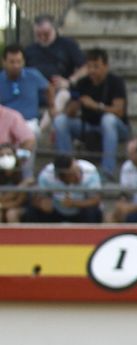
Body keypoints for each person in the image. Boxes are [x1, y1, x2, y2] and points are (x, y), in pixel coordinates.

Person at [54, 49, 127, 177]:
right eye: (89, 67)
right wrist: (74, 105)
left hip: (117, 128)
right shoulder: (82, 83)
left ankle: (107, 171)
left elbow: (119, 111)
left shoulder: (116, 82)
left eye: (96, 67)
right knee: (60, 121)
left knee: (108, 120)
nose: (92, 71)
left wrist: (95, 105)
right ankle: (65, 167)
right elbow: (70, 113)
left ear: (106, 66)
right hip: (87, 126)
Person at [25, 153, 102, 222]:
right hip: (55, 209)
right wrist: (41, 203)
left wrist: (74, 203)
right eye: (73, 174)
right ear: (61, 177)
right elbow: (36, 198)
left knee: (93, 211)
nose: (77, 176)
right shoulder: (46, 175)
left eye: (77, 171)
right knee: (32, 211)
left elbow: (95, 200)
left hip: (81, 209)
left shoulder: (90, 171)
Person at [3, 44, 52, 136]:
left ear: (23, 62)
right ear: (4, 62)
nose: (16, 65)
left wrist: (52, 106)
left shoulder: (33, 75)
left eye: (19, 62)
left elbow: (49, 88)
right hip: (5, 123)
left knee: (29, 134)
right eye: (12, 62)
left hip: (29, 121)